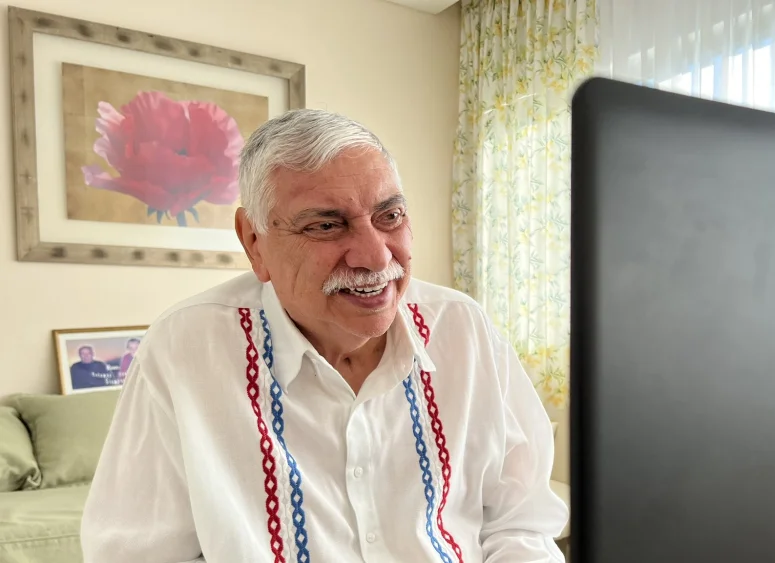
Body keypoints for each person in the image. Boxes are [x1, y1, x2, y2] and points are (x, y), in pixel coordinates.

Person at [81, 110, 568, 562]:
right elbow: (136, 554)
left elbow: (520, 521)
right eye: (327, 225)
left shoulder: (463, 328)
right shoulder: (186, 350)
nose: (376, 257)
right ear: (254, 242)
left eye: (390, 217)